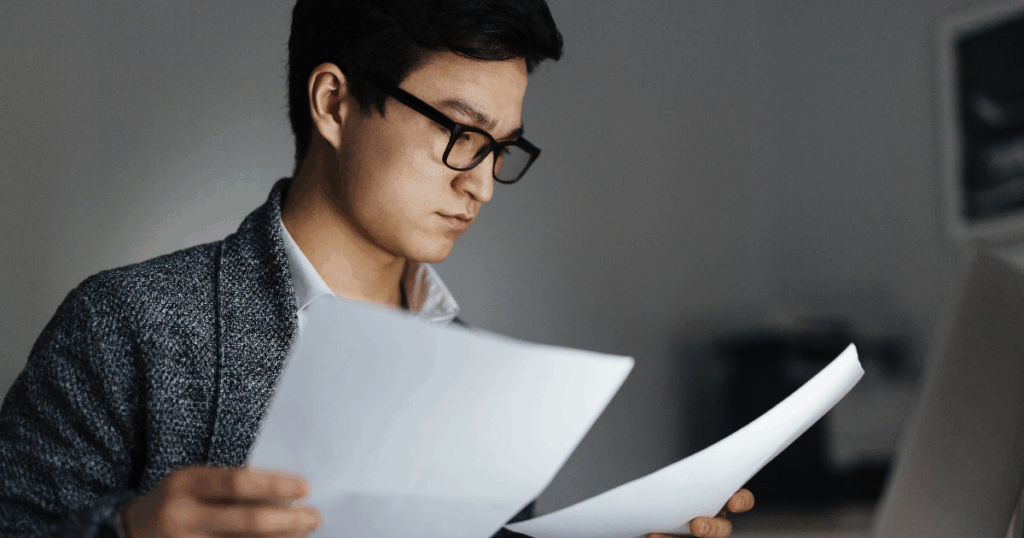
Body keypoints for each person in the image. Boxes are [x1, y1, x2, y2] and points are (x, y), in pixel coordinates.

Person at [0, 1, 754, 537]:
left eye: (502, 148)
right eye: (462, 132)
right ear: (333, 103)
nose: (482, 183)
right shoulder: (129, 325)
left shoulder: (474, 368)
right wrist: (128, 534)